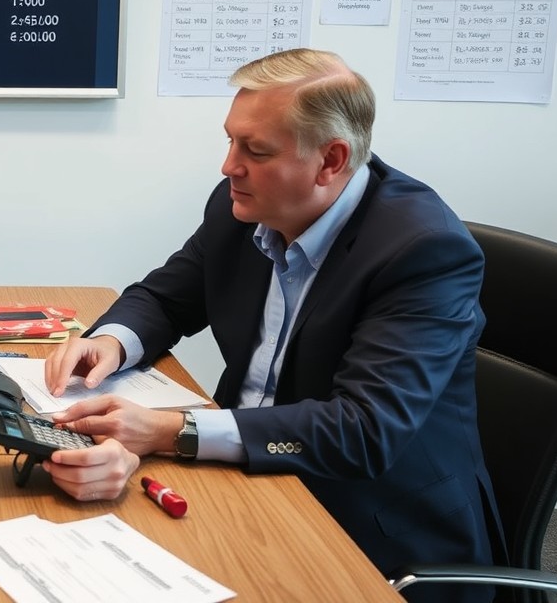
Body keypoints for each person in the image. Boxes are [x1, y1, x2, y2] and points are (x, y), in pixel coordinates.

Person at [41, 49, 500, 599]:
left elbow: (364, 430)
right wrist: (110, 344)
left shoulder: (424, 251)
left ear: (331, 160)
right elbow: (167, 298)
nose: (228, 166)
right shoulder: (245, 202)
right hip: (243, 475)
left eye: (255, 150)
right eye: (231, 140)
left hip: (368, 527)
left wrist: (174, 432)